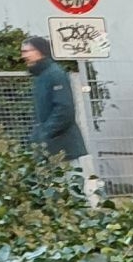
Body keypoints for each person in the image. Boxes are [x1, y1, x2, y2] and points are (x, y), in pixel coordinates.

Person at [20, 34, 101, 198]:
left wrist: (44, 134)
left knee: (73, 192)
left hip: (64, 146)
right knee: (56, 193)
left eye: (28, 51)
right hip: (51, 146)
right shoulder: (41, 76)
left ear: (41, 51)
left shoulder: (54, 74)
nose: (24, 55)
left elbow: (64, 110)